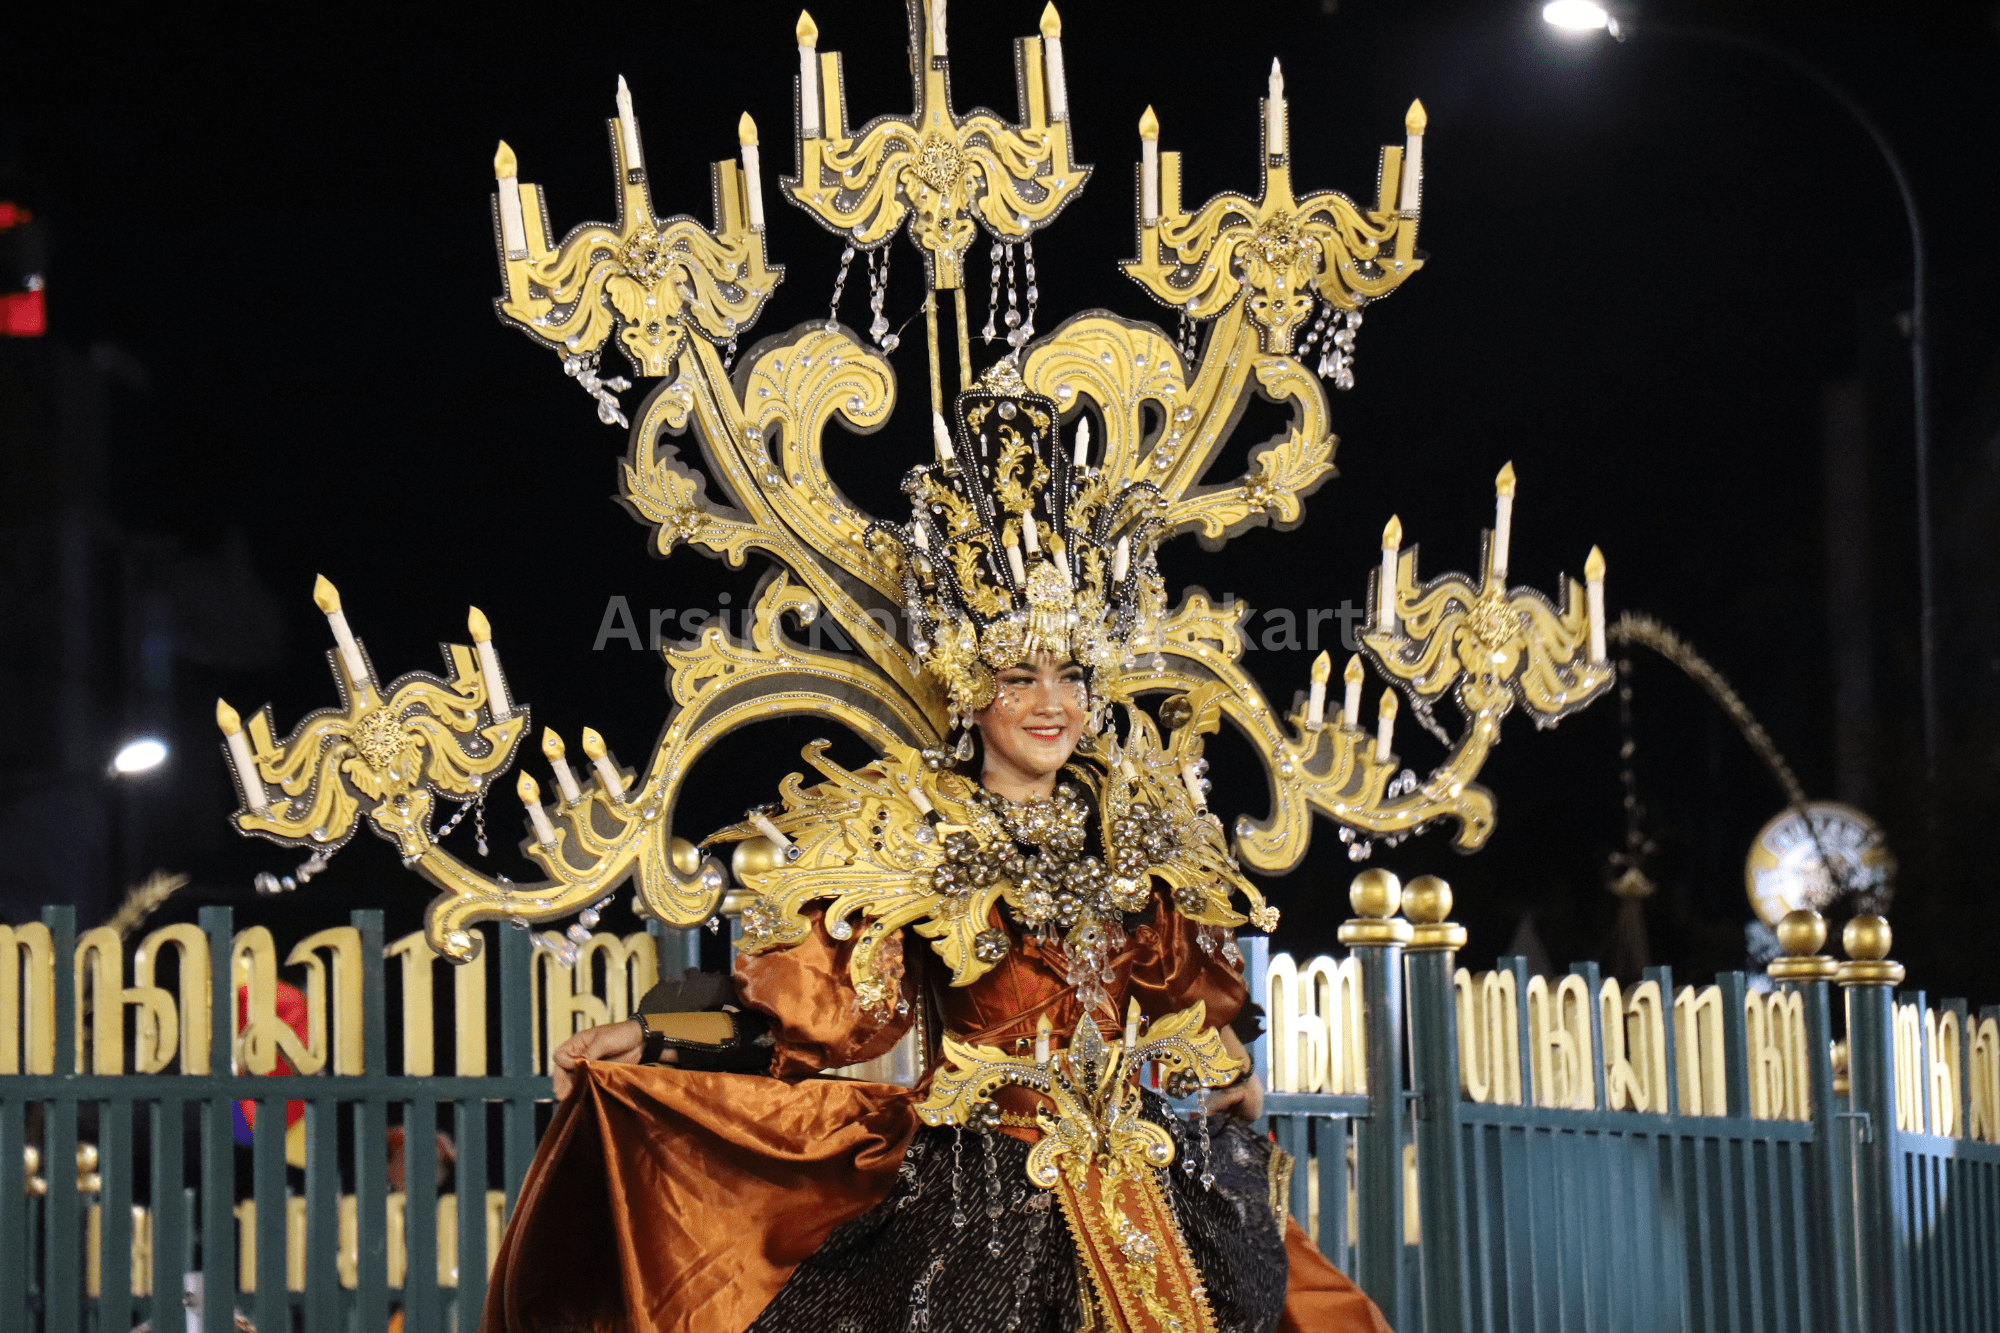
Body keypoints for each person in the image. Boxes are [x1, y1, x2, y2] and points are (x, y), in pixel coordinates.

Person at [483, 368, 1390, 1333]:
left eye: (1074, 674)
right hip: (982, 1198)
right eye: (1020, 674)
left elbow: (1190, 1007)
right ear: (969, 685)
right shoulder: (915, 836)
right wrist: (657, 1041)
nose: (1054, 702)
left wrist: (1228, 1073)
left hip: (1151, 1181)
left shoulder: (1145, 825)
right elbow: (810, 1019)